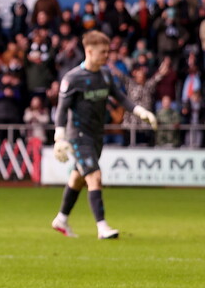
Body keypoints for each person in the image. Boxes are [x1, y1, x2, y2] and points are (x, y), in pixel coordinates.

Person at [51, 31, 158, 239]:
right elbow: (62, 109)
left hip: (96, 134)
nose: (106, 56)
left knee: (78, 177)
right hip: (78, 135)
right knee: (94, 176)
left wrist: (140, 111)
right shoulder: (73, 78)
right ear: (89, 51)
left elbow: (120, 98)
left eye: (108, 51)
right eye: (103, 52)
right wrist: (59, 138)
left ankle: (61, 219)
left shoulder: (106, 75)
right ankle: (102, 226)